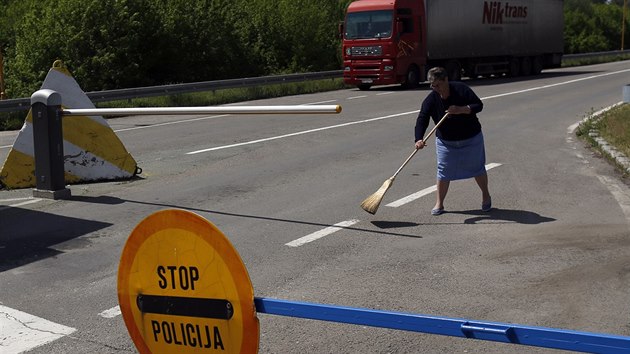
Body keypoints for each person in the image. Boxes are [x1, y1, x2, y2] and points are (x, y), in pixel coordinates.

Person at [414, 67, 491, 216]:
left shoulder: (461, 89)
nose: (435, 89)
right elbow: (422, 118)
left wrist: (461, 109)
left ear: (446, 80)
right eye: (432, 85)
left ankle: (486, 195)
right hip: (446, 142)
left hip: (471, 138)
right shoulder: (431, 99)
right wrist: (418, 138)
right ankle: (439, 203)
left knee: (477, 168)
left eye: (438, 85)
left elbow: (478, 105)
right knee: (443, 171)